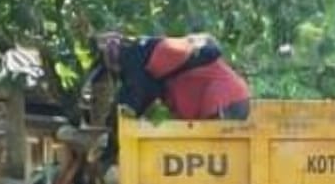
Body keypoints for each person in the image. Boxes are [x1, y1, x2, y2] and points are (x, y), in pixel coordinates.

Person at [93, 32, 252, 121]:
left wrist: (108, 140)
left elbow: (127, 106)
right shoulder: (149, 54)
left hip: (222, 102)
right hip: (233, 98)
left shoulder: (135, 60)